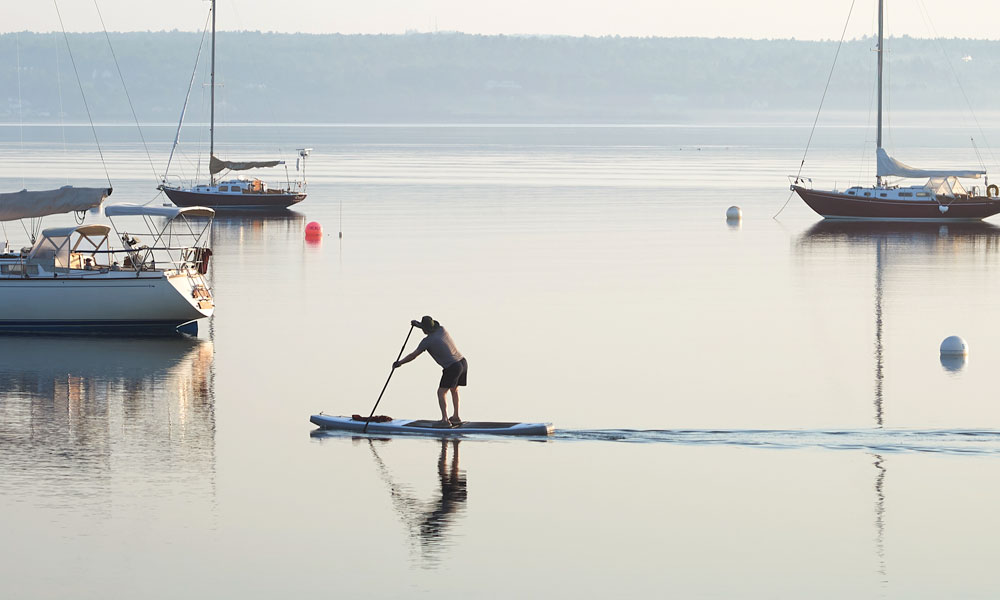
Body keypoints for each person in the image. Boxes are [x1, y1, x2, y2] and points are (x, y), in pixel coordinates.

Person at [393, 315, 468, 427]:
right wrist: (417, 324)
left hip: (452, 367)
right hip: (462, 362)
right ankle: (456, 417)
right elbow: (428, 328)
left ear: (425, 329)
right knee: (454, 390)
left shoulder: (427, 341)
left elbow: (413, 355)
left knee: (441, 392)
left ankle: (445, 420)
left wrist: (400, 363)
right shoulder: (442, 329)